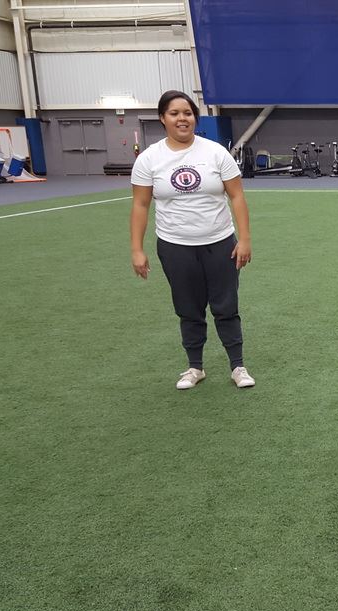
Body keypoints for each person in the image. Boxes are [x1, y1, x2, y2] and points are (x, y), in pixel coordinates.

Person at [130, 90, 256, 390]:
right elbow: (140, 205)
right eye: (174, 113)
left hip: (220, 243)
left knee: (226, 306)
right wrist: (137, 249)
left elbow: (236, 196)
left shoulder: (215, 153)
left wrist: (245, 239)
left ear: (194, 118)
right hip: (175, 246)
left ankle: (238, 366)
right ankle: (194, 367)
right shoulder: (149, 159)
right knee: (188, 308)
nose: (182, 119)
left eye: (187, 113)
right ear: (163, 118)